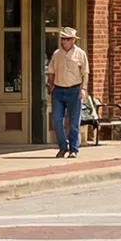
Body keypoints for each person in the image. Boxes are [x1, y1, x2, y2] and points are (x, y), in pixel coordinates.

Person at [48, 27, 89, 159]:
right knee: (56, 120)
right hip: (58, 91)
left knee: (74, 122)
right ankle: (63, 147)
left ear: (73, 40)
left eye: (67, 39)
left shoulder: (81, 54)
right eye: (63, 39)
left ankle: (73, 149)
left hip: (74, 90)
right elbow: (51, 71)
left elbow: (85, 73)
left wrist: (83, 89)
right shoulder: (57, 54)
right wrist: (51, 85)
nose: (64, 41)